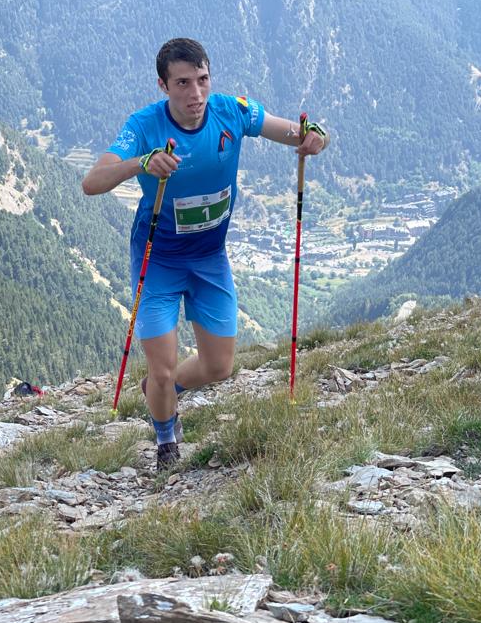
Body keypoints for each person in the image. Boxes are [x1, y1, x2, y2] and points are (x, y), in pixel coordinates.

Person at [82, 38, 329, 470]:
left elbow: (291, 131)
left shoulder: (232, 110)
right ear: (163, 85)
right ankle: (166, 442)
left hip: (210, 257)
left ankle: (163, 391)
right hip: (157, 260)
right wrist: (141, 163)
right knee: (162, 367)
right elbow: (93, 181)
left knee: (219, 366)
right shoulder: (143, 125)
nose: (195, 94)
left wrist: (312, 137)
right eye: (182, 83)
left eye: (202, 80)